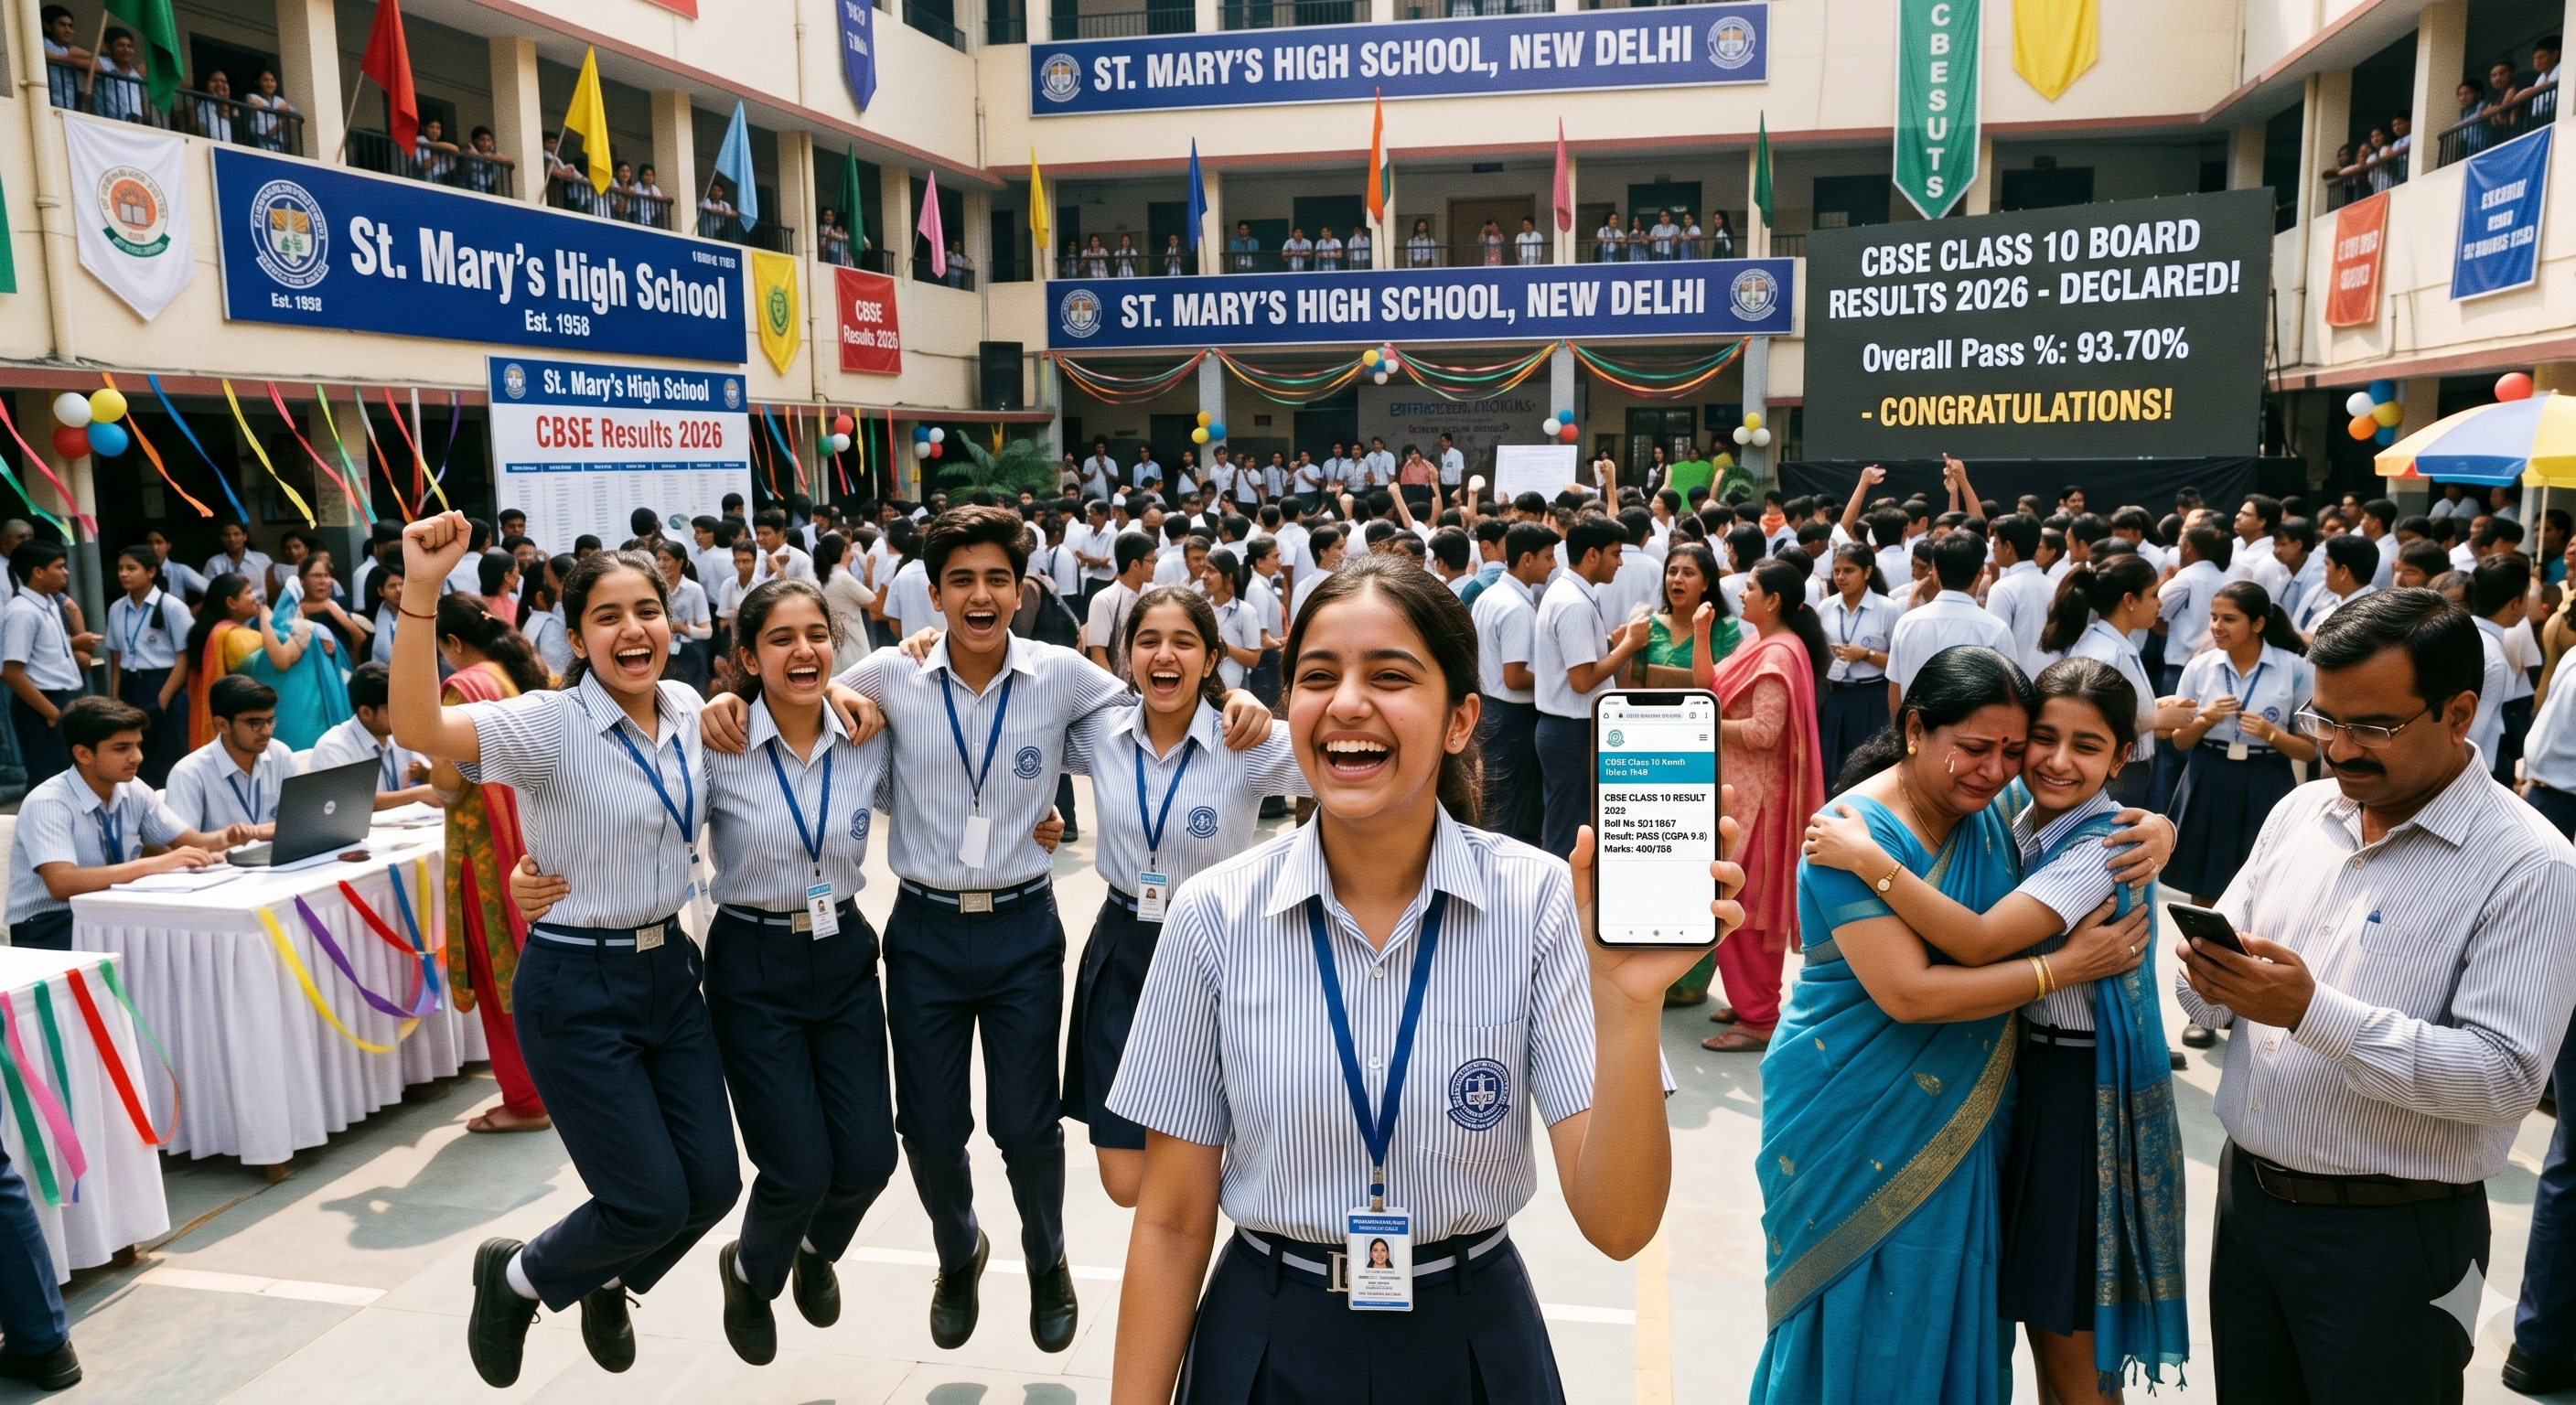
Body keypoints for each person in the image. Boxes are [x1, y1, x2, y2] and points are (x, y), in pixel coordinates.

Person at [1106, 554, 1745, 1404]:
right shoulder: (1212, 915)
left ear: (1459, 719)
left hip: (1471, 1335)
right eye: (1318, 675)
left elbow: (1620, 1227)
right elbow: (1171, 1221)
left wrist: (1629, 1008)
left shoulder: (1540, 903)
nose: (1346, 703)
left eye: (1391, 675)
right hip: (1267, 1339)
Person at [697, 506, 1272, 1355]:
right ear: (932, 595)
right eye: (960, 580)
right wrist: (728, 696)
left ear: (1022, 589)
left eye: (996, 579)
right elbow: (808, 692)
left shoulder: (1064, 679)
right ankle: (957, 1251)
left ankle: (1048, 1261)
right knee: (929, 1127)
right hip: (923, 933)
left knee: (1026, 1123)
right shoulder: (891, 676)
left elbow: (1163, 689)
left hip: (1022, 931)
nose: (979, 595)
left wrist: (1237, 703)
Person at [2177, 589, 2576, 1404]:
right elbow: (2216, 994)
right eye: (2324, 720)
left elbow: (2505, 1077)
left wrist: (2309, 1011)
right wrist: (2210, 983)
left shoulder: (2532, 866)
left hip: (2397, 1238)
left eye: (2374, 728)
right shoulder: (2301, 812)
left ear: (2460, 712)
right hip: (2248, 1207)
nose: (2339, 750)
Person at [393, 521, 746, 1388]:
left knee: (711, 1190)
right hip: (577, 984)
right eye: (608, 617)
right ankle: (515, 1279)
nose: (634, 631)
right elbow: (418, 727)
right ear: (576, 634)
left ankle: (608, 1276)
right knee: (649, 1199)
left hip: (672, 973)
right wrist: (421, 590)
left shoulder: (691, 713)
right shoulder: (547, 722)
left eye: (649, 612)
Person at [1754, 646, 2152, 1403]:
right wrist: (2060, 969)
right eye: (1973, 749)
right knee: (1864, 1308)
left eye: (2011, 749)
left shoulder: (1992, 810)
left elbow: (2087, 809)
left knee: (1947, 1294)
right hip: (1853, 1108)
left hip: (1970, 1110)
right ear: (1915, 731)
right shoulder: (1847, 835)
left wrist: (2153, 828)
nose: (1997, 769)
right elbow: (1909, 994)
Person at [1059, 587, 1304, 1207]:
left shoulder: (1243, 743)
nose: (1164, 656)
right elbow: (1003, 718)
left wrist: (1262, 706)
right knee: (1127, 1182)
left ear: (1212, 656)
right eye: (1148, 641)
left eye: (1183, 643)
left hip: (1219, 954)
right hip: (1123, 949)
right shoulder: (1098, 734)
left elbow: (1353, 761)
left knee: (1220, 1162)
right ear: (1125, 655)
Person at [1692, 559, 1828, 1051]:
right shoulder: (1758, 644)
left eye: (1749, 587)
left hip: (1760, 806)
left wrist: (1704, 724)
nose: (1741, 593)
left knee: (1746, 909)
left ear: (1772, 601)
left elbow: (1764, 732)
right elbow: (1707, 686)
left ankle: (1758, 1018)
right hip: (1739, 796)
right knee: (1736, 904)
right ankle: (1751, 1001)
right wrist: (1702, 633)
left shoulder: (1779, 656)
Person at [8, 696, 250, 949]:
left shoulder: (133, 789)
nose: (137, 757)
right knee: (171, 944)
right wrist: (159, 863)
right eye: (121, 748)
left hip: (112, 909)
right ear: (83, 754)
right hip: (50, 924)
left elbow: (193, 843)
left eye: (137, 745)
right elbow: (62, 883)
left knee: (200, 931)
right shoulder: (48, 802)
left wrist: (238, 837)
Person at [2164, 583, 2316, 905]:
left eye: (2229, 619)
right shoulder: (2199, 668)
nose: (2217, 627)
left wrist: (2269, 733)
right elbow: (2179, 742)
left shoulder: (2294, 669)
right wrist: (2205, 720)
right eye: (2213, 617)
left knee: (2261, 883)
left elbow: (2309, 749)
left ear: (2258, 623)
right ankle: (2200, 948)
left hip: (2267, 776)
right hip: (2208, 773)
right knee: (2205, 883)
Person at [1533, 516, 1653, 858]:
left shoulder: (1570, 592)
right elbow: (1582, 679)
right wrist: (1629, 645)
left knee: (1570, 824)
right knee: (1569, 834)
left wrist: (1608, 643)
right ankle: (1560, 906)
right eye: (1615, 553)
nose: (1620, 562)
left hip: (1567, 729)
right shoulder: (1573, 602)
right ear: (1591, 555)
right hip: (1572, 731)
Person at [1472, 523, 1555, 848]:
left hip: (1492, 708)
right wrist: (1556, 679)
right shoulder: (1516, 607)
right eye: (1548, 557)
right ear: (1527, 559)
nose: (1553, 565)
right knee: (1510, 809)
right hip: (1512, 716)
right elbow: (1515, 676)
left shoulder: (1490, 596)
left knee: (1495, 801)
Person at [1884, 531, 2015, 713]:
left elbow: (1895, 690)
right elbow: (2008, 695)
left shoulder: (1906, 623)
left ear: (1934, 571)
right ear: (1980, 572)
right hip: (1971, 737)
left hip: (1915, 734)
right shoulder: (1995, 629)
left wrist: (1902, 738)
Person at [1, 542, 96, 788]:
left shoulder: (51, 602)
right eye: (59, 567)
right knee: (49, 782)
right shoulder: (22, 611)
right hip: (44, 705)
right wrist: (53, 714)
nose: (66, 572)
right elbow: (11, 672)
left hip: (67, 698)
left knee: (74, 779)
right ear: (38, 572)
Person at [104, 545, 193, 787]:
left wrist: (162, 700)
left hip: (164, 684)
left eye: (131, 568)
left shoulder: (172, 607)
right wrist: (114, 698)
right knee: (134, 757)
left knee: (167, 756)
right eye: (121, 568)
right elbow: (116, 656)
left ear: (151, 571)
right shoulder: (116, 608)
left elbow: (184, 657)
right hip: (130, 685)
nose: (124, 574)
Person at [164, 675, 292, 835]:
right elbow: (183, 847)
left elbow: (300, 821)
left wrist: (254, 833)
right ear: (222, 725)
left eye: (270, 720)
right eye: (255, 723)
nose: (266, 731)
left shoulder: (281, 755)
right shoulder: (188, 774)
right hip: (221, 860)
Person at [1816, 543, 1897, 786]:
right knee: (1832, 769)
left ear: (1867, 572)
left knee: (1868, 771)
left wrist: (1865, 654)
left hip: (1873, 696)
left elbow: (1900, 662)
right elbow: (1819, 653)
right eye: (1836, 570)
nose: (1840, 577)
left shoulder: (1887, 608)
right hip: (1836, 696)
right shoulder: (1826, 607)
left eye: (1849, 570)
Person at [308, 661, 436, 809]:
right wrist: (417, 794)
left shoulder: (400, 737)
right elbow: (348, 802)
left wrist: (428, 775)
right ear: (366, 713)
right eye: (393, 710)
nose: (402, 715)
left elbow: (429, 778)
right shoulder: (333, 747)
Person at [1630, 542, 1729, 687]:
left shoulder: (1725, 629)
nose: (1677, 579)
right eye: (1672, 572)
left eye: (1688, 573)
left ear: (1705, 583)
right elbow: (1636, 687)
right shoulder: (1648, 627)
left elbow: (1728, 691)